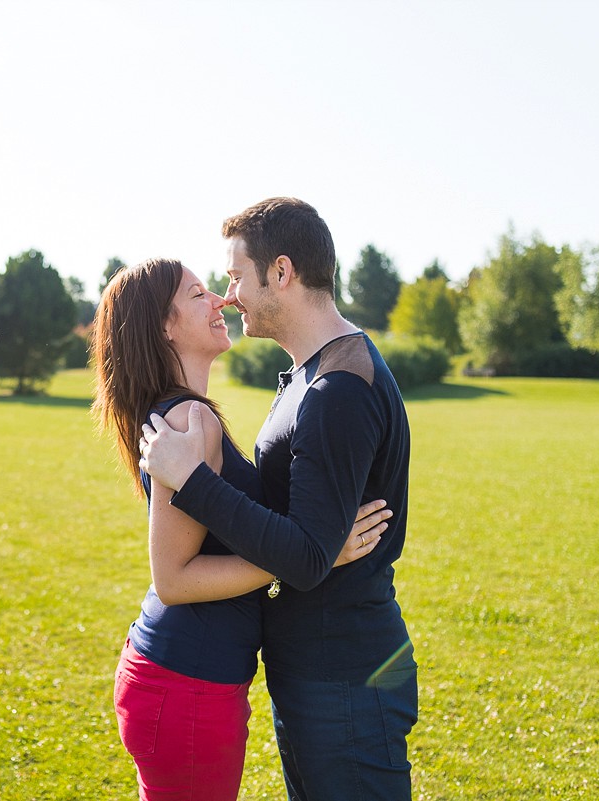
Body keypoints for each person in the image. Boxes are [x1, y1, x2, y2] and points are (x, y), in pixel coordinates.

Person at [138, 198, 417, 800]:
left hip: (344, 674)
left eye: (236, 276)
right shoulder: (311, 376)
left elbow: (308, 554)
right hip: (317, 671)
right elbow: (304, 538)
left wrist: (194, 483)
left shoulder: (338, 388)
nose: (229, 296)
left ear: (282, 272)